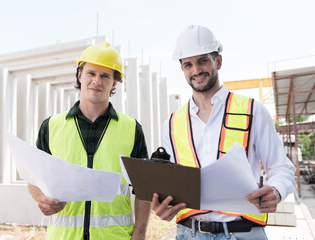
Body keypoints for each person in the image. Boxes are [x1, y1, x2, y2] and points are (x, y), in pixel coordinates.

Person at [151, 25, 295, 239]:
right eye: (188, 64)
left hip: (242, 233)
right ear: (182, 69)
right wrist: (162, 206)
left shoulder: (252, 111)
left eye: (203, 61)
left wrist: (277, 190)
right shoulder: (171, 123)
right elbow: (173, 184)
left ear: (217, 61)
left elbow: (282, 168)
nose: (196, 70)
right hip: (188, 233)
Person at [28, 42, 151, 240]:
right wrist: (41, 198)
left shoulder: (131, 129)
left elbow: (145, 188)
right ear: (79, 75)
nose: (97, 81)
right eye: (91, 73)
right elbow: (34, 178)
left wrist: (140, 234)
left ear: (114, 83)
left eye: (105, 76)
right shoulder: (51, 126)